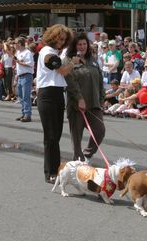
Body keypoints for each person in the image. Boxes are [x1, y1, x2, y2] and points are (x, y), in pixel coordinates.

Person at [36, 24, 73, 184]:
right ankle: (50, 172)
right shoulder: (47, 51)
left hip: (57, 94)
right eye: (59, 38)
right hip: (47, 95)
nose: (61, 41)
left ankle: (56, 169)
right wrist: (73, 63)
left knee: (56, 136)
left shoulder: (54, 52)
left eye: (64, 39)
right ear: (52, 37)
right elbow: (61, 70)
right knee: (50, 136)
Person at [64, 33, 105, 162]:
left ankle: (87, 154)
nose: (82, 47)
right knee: (77, 138)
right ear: (74, 46)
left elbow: (100, 80)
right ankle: (78, 162)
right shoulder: (68, 61)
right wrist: (79, 99)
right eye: (79, 44)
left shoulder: (93, 60)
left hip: (93, 104)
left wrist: (102, 99)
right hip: (77, 106)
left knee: (99, 131)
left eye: (84, 44)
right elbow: (70, 81)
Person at [14, 37, 34, 122]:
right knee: (21, 96)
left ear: (19, 44)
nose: (14, 45)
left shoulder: (27, 53)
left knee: (26, 96)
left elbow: (30, 64)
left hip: (26, 76)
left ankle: (27, 115)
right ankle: (23, 113)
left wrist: (19, 62)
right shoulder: (18, 52)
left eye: (15, 43)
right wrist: (16, 74)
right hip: (20, 76)